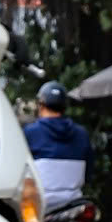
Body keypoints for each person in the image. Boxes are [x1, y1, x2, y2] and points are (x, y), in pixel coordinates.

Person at [24, 80, 93, 212]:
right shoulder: (82, 134)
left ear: (41, 105)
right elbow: (88, 174)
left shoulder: (30, 132)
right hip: (74, 206)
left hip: (37, 207)